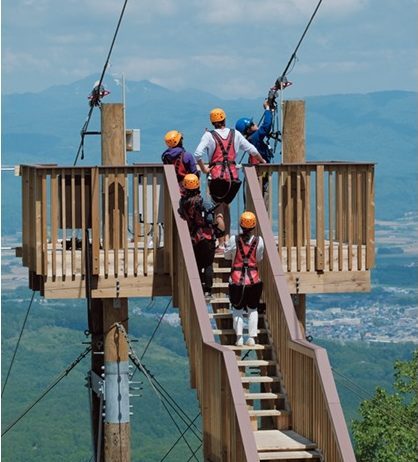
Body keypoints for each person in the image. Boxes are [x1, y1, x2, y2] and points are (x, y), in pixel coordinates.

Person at [194, 108, 265, 249]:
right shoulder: (235, 134)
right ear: (224, 120)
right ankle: (227, 241)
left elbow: (197, 154)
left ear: (212, 122)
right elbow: (252, 150)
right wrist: (262, 161)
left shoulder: (209, 136)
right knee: (226, 207)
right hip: (233, 178)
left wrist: (203, 169)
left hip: (217, 177)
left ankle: (221, 244)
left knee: (218, 211)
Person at [178, 173, 225, 299]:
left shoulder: (183, 203)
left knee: (198, 264)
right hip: (207, 237)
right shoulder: (205, 202)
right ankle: (208, 291)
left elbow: (182, 215)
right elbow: (210, 220)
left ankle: (198, 290)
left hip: (193, 237)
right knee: (208, 264)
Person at [224, 211, 264, 346]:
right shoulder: (259, 241)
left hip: (236, 279)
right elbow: (259, 258)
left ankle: (239, 337)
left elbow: (227, 256)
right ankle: (252, 337)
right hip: (254, 280)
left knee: (237, 309)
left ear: (241, 225)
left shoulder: (233, 240)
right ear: (254, 226)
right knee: (253, 309)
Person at [235, 100, 274, 196]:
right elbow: (266, 126)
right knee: (263, 196)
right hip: (261, 172)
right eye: (252, 124)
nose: (255, 124)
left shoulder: (249, 139)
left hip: (256, 171)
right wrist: (268, 109)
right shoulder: (255, 137)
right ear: (248, 130)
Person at [162, 130, 199, 194]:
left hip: (171, 187)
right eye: (181, 139)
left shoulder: (166, 156)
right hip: (187, 188)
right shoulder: (187, 155)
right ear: (179, 141)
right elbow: (195, 173)